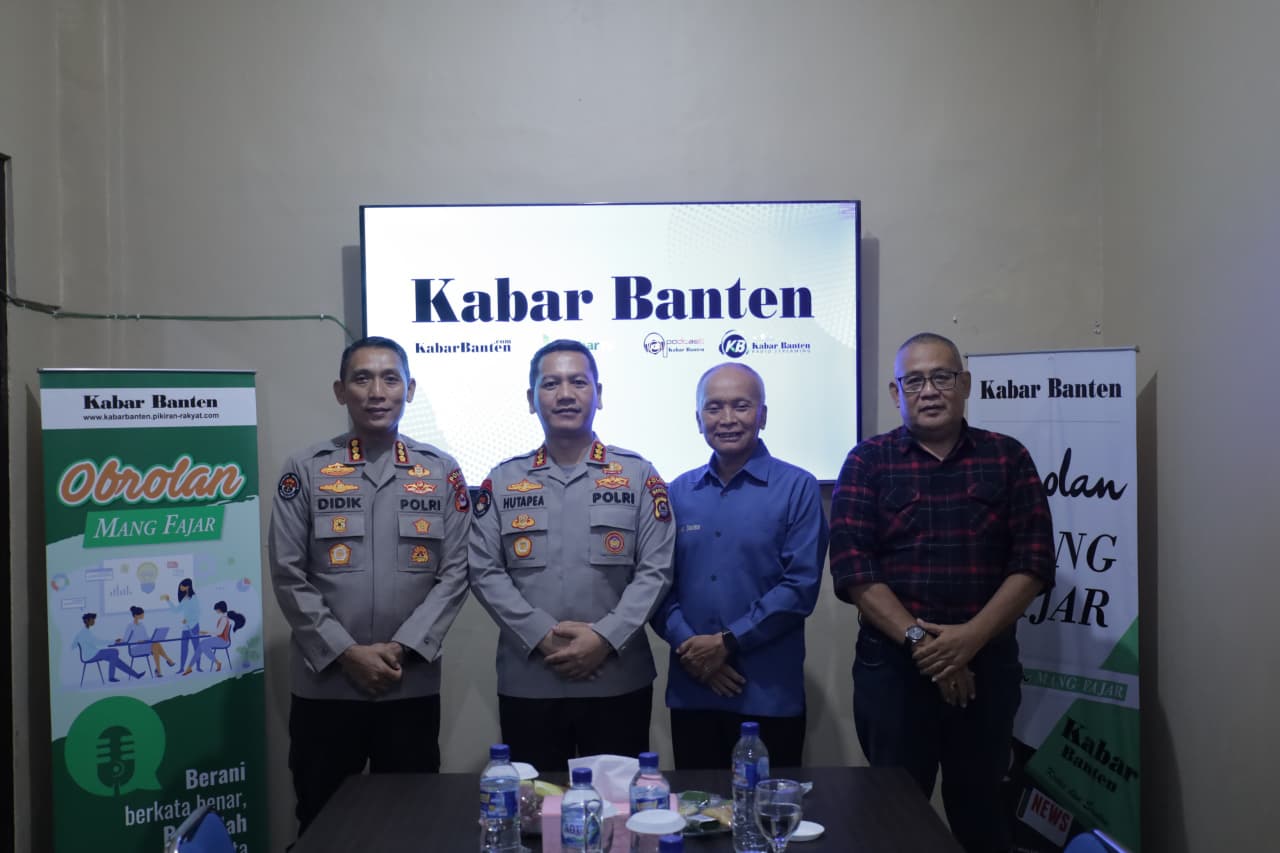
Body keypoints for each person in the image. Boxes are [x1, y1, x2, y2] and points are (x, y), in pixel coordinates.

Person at [829, 332, 1055, 853]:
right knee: (892, 818)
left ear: (965, 384)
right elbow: (854, 569)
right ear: (896, 393)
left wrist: (968, 641)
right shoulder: (867, 462)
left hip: (986, 669)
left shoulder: (1008, 458)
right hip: (892, 672)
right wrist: (926, 646)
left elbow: (1034, 561)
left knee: (982, 816)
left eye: (942, 377)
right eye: (914, 381)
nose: (928, 390)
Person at [269, 335, 472, 837]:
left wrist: (401, 649)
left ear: (410, 389)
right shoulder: (306, 470)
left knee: (412, 825)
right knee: (321, 824)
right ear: (341, 391)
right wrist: (346, 653)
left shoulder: (441, 471)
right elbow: (288, 573)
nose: (377, 392)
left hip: (409, 685)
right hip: (326, 689)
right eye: (362, 379)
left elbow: (456, 572)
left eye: (390, 378)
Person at [468, 339, 675, 773]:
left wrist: (604, 638)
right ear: (531, 400)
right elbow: (485, 571)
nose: (565, 394)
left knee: (620, 805)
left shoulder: (638, 475)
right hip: (531, 679)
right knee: (533, 803)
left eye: (578, 382)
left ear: (598, 394)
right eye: (551, 384)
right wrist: (541, 635)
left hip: (617, 678)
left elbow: (656, 570)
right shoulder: (502, 480)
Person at [651, 363, 826, 769]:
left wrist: (726, 643)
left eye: (741, 406)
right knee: (697, 805)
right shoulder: (677, 492)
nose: (727, 418)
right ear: (699, 420)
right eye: (714, 408)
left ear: (762, 415)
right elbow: (656, 583)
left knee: (768, 808)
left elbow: (800, 586)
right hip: (693, 692)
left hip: (769, 696)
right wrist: (694, 652)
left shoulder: (797, 488)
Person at [74, 613, 143, 682]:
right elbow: (98, 642)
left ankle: (136, 675)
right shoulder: (85, 632)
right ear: (87, 620)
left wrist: (114, 641)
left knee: (115, 659)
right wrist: (114, 641)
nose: (94, 621)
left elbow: (77, 643)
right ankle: (111, 677)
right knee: (114, 652)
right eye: (92, 619)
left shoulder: (84, 631)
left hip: (93, 653)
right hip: (91, 655)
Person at [118, 605, 176, 676]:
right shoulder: (130, 626)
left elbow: (146, 637)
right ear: (136, 615)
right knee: (155, 645)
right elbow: (126, 640)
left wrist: (152, 638)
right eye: (142, 614)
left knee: (155, 644)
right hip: (135, 649)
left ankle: (159, 670)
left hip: (144, 646)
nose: (143, 615)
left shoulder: (141, 625)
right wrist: (137, 641)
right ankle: (168, 661)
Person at [160, 578, 201, 673]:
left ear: (188, 586)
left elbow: (197, 613)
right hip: (185, 628)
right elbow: (176, 610)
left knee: (196, 648)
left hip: (194, 626)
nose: (180, 587)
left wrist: (189, 619)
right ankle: (182, 668)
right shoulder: (184, 598)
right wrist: (168, 601)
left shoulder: (194, 597)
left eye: (182, 585)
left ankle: (198, 667)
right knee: (183, 649)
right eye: (180, 586)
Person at [196, 600, 246, 672]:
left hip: (223, 641)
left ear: (219, 609)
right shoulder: (224, 618)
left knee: (203, 644)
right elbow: (218, 632)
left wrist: (205, 632)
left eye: (216, 609)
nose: (216, 611)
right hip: (221, 639)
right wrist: (206, 633)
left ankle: (217, 662)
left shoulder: (224, 619)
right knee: (202, 644)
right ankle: (216, 662)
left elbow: (219, 632)